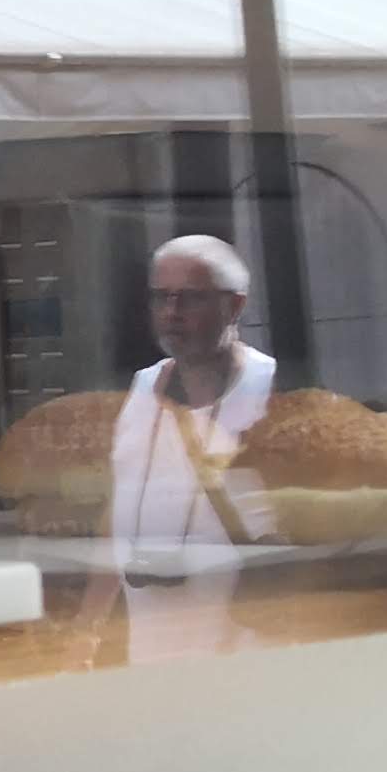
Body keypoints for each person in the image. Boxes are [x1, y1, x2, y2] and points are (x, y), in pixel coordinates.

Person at [106, 234, 278, 610]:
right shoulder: (141, 386)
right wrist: (89, 623)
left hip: (244, 632)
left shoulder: (271, 387)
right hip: (146, 633)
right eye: (161, 297)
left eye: (191, 297)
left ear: (234, 306)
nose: (172, 312)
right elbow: (116, 505)